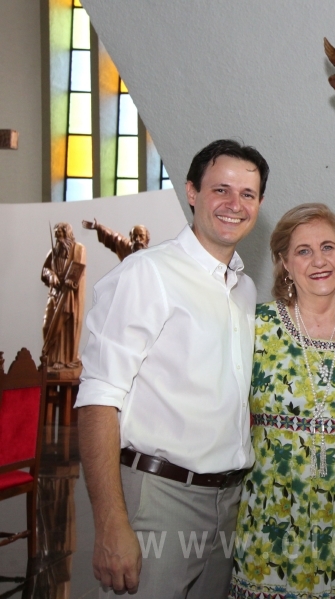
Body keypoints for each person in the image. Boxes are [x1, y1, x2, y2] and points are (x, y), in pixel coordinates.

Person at [75, 139, 269, 598]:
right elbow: (98, 401)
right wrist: (110, 523)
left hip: (227, 502)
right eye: (221, 189)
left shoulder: (244, 290)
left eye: (247, 194)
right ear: (191, 192)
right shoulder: (147, 274)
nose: (233, 205)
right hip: (159, 498)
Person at [230, 203, 335, 599]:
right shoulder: (255, 325)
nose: (318, 261)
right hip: (271, 520)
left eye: (328, 247)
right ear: (283, 263)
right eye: (303, 251)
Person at [41, 222, 87, 370]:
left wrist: (70, 280)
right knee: (47, 326)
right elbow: (45, 270)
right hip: (54, 294)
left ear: (68, 234)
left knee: (65, 328)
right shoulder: (53, 252)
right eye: (56, 234)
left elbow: (79, 267)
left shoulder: (78, 249)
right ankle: (50, 357)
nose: (58, 237)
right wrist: (51, 275)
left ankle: (63, 360)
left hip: (69, 295)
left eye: (61, 234)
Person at [82, 219, 150, 261]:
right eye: (134, 236)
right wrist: (98, 227)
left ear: (147, 238)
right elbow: (113, 236)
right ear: (131, 238)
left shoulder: (151, 255)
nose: (137, 239)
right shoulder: (125, 247)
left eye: (141, 236)